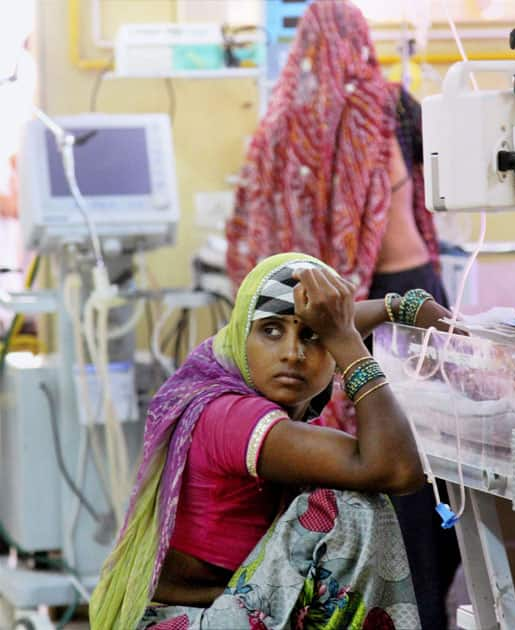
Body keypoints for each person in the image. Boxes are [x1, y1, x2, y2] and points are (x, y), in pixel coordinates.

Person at [225, 2, 459, 627]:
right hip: (409, 294)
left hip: (336, 305)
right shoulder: (393, 105)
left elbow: (261, 222)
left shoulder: (287, 122)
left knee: (364, 461)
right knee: (423, 459)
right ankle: (421, 609)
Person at [90, 252, 455, 630]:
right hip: (183, 622)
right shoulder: (232, 417)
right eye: (271, 331)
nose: (292, 354)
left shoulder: (218, 365)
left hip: (207, 608)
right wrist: (343, 341)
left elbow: (297, 324)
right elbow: (396, 470)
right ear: (242, 336)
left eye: (312, 336)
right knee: (352, 509)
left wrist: (397, 306)